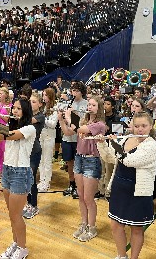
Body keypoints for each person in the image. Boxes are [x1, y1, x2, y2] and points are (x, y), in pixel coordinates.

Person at [97, 111, 156, 259]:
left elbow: (130, 160)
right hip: (120, 187)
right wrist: (102, 143)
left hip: (138, 192)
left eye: (144, 126)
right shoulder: (126, 138)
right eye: (137, 126)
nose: (140, 129)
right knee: (115, 225)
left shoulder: (152, 146)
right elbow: (109, 157)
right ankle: (121, 255)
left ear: (151, 126)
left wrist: (114, 145)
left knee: (136, 229)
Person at [0, 97, 35, 259]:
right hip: (7, 170)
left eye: (18, 108)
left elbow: (8, 135)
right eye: (14, 108)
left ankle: (23, 248)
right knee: (12, 214)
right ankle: (16, 243)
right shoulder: (10, 126)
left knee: (16, 215)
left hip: (20, 173)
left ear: (25, 111)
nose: (15, 111)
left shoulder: (30, 128)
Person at [59, 96, 106, 241]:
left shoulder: (100, 125)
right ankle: (84, 224)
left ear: (99, 108)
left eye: (93, 105)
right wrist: (61, 119)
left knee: (88, 198)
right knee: (80, 195)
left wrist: (69, 116)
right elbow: (68, 133)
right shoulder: (84, 120)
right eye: (89, 104)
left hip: (92, 161)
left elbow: (78, 129)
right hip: (79, 158)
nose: (90, 107)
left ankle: (92, 227)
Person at [23, 91, 45, 219]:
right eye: (30, 101)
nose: (31, 104)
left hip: (34, 151)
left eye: (34, 102)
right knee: (26, 179)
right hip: (25, 150)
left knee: (31, 179)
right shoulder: (28, 114)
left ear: (40, 104)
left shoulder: (40, 117)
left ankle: (34, 205)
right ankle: (28, 203)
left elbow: (27, 120)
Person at [38, 87, 58, 192]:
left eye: (45, 95)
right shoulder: (42, 107)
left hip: (49, 137)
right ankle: (42, 180)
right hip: (41, 135)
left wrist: (42, 119)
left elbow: (53, 124)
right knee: (41, 160)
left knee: (47, 160)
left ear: (50, 96)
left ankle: (46, 182)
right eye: (43, 95)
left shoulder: (55, 107)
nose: (43, 97)